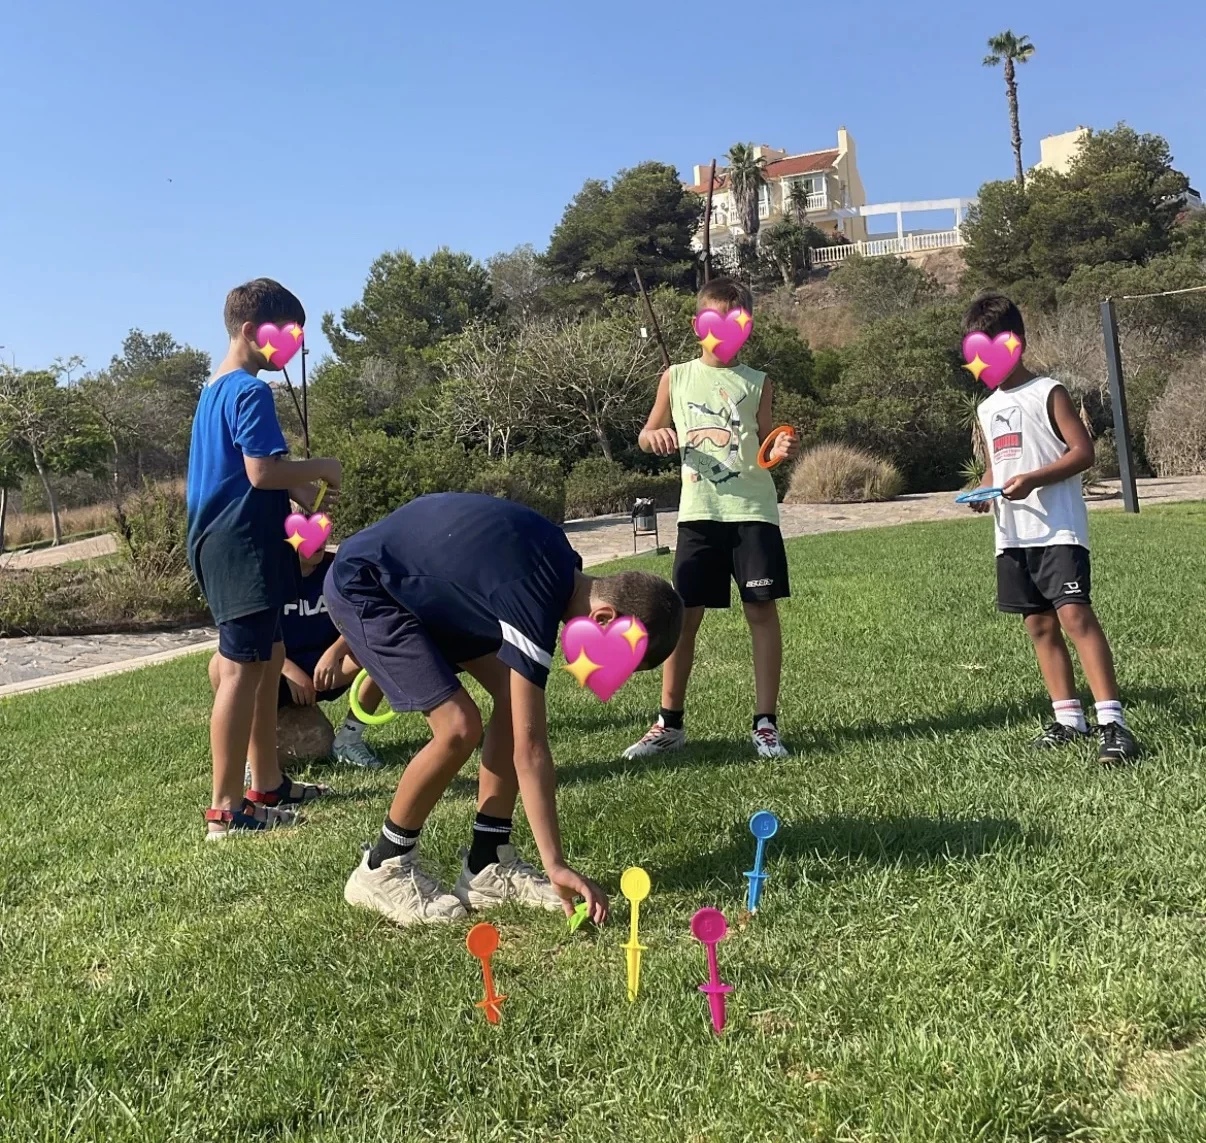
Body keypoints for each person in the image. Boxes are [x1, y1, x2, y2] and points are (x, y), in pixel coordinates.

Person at [327, 492, 684, 926]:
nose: (614, 674)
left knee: (509, 699)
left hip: (410, 585)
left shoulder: (559, 563)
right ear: (605, 618)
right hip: (369, 587)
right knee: (458, 727)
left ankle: (487, 862)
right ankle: (382, 866)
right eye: (623, 659)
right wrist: (556, 863)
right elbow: (530, 750)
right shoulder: (533, 597)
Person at [187, 278, 343, 839]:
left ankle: (267, 784)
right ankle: (226, 808)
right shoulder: (251, 393)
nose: (293, 350)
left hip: (228, 538)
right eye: (289, 338)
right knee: (240, 670)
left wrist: (295, 494)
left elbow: (244, 476)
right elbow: (261, 471)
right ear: (254, 333)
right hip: (241, 546)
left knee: (270, 653)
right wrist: (320, 468)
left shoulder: (215, 390)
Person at [624, 276, 800, 762]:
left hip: (753, 513)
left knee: (761, 613)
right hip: (698, 514)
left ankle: (766, 724)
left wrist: (780, 446)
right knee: (684, 619)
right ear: (697, 326)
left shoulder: (758, 382)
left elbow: (765, 445)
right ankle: (670, 723)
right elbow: (647, 432)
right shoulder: (675, 377)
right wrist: (653, 438)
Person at [963, 290, 1140, 764]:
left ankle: (1113, 723)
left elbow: (1083, 453)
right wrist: (984, 489)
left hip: (1057, 529)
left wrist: (1034, 480)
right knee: (1039, 625)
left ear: (1016, 343)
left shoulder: (1048, 391)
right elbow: (998, 464)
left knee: (1074, 616)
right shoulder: (986, 407)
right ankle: (1068, 719)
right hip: (1013, 534)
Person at [215, 545, 387, 776]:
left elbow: (364, 618)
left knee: (382, 648)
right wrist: (286, 668)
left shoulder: (339, 569)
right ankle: (251, 755)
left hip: (327, 669)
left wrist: (335, 651)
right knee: (219, 663)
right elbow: (248, 633)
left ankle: (349, 739)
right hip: (275, 670)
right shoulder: (266, 573)